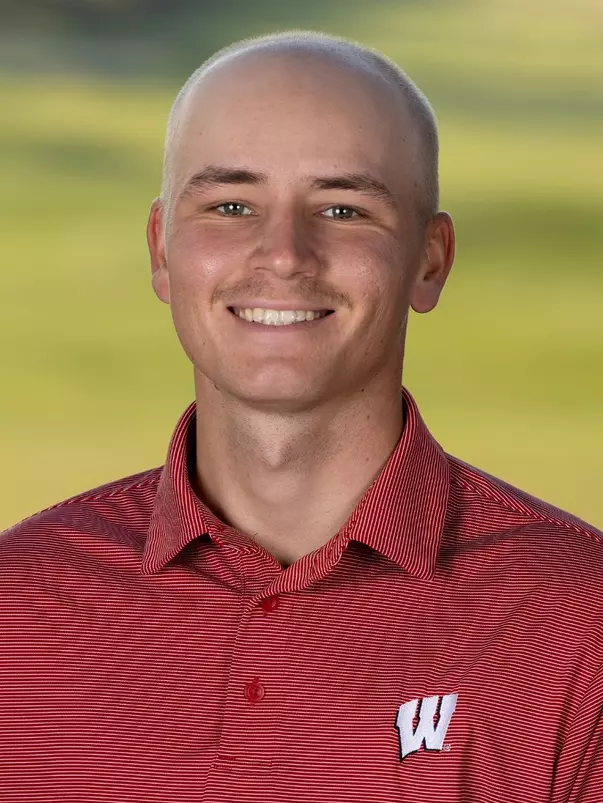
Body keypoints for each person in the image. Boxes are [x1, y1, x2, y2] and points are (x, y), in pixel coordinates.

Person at [0, 30, 601, 803]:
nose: (283, 255)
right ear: (161, 247)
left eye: (343, 208)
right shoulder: (15, 608)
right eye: (231, 205)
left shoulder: (578, 622)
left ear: (430, 257)